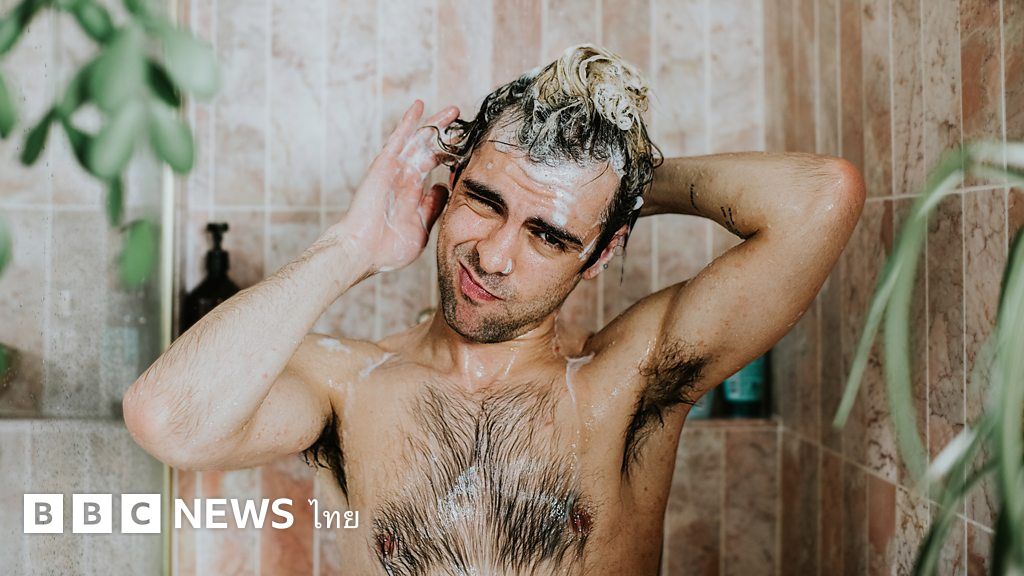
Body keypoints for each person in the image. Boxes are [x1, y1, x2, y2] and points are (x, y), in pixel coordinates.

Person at [123, 44, 865, 575]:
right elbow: (168, 419)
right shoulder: (347, 387)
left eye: (549, 234)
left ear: (600, 252)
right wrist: (350, 247)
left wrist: (617, 185)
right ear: (452, 183)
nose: (493, 255)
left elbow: (820, 199)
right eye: (485, 200)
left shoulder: (625, 381)